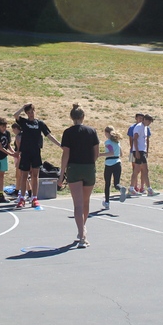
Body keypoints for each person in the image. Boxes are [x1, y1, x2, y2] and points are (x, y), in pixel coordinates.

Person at [59, 104, 98, 248]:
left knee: (78, 204)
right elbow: (96, 153)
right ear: (83, 117)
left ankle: (82, 234)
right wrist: (90, 164)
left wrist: (61, 174)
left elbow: (65, 154)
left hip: (74, 168)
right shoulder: (92, 131)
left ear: (71, 117)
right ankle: (82, 229)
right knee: (86, 202)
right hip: (88, 167)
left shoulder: (68, 132)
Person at [13, 103, 61, 208]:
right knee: (24, 176)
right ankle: (22, 198)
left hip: (35, 153)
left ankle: (34, 198)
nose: (31, 114)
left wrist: (59, 145)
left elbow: (49, 135)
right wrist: (22, 107)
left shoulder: (40, 123)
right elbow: (15, 115)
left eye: (32, 112)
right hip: (25, 152)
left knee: (35, 176)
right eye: (28, 112)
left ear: (35, 111)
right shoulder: (24, 122)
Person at [102, 126, 122, 209]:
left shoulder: (108, 142)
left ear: (107, 133)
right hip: (118, 163)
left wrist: (100, 154)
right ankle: (121, 189)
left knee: (107, 184)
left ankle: (107, 202)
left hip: (109, 163)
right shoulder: (117, 142)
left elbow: (111, 152)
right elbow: (121, 154)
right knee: (116, 184)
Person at [126, 113, 145, 195]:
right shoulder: (132, 127)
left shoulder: (145, 127)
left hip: (142, 151)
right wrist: (133, 150)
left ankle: (142, 187)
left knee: (143, 169)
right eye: (139, 118)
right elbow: (131, 139)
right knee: (135, 169)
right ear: (136, 118)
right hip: (133, 151)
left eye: (142, 118)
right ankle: (135, 186)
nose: (140, 120)